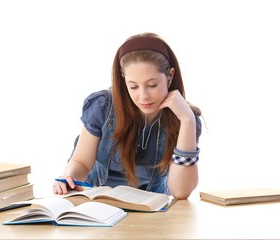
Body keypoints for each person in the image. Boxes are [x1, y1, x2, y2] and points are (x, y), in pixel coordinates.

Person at [53, 32, 202, 199]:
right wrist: (69, 176)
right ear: (123, 80)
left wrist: (188, 121)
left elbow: (180, 191)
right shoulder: (103, 106)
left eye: (152, 84)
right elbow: (81, 162)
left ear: (170, 76)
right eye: (133, 86)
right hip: (97, 206)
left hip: (150, 210)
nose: (143, 96)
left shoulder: (185, 118)